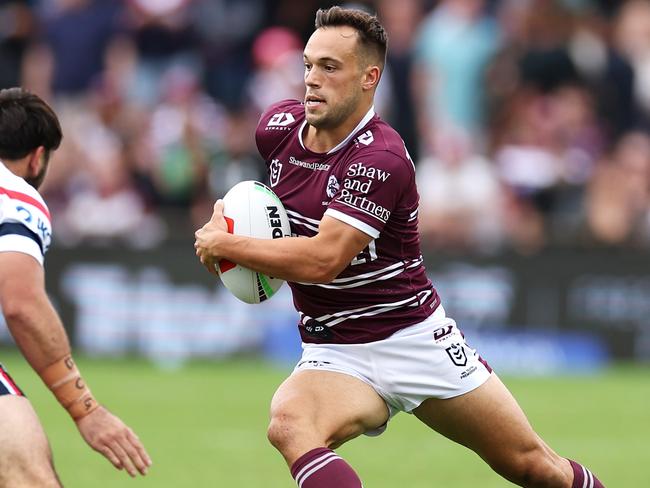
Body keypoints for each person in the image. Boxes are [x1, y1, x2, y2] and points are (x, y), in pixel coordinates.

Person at [195, 7, 605, 488]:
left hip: (411, 339)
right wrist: (229, 231)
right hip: (334, 347)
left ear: (370, 77)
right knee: (289, 423)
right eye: (308, 65)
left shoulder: (381, 157)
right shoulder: (277, 129)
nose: (311, 80)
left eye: (330, 67)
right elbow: (266, 216)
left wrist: (232, 244)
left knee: (535, 467)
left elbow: (324, 259)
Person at [0, 87, 152, 486]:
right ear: (37, 157)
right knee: (30, 477)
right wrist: (86, 410)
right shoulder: (14, 195)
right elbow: (21, 304)